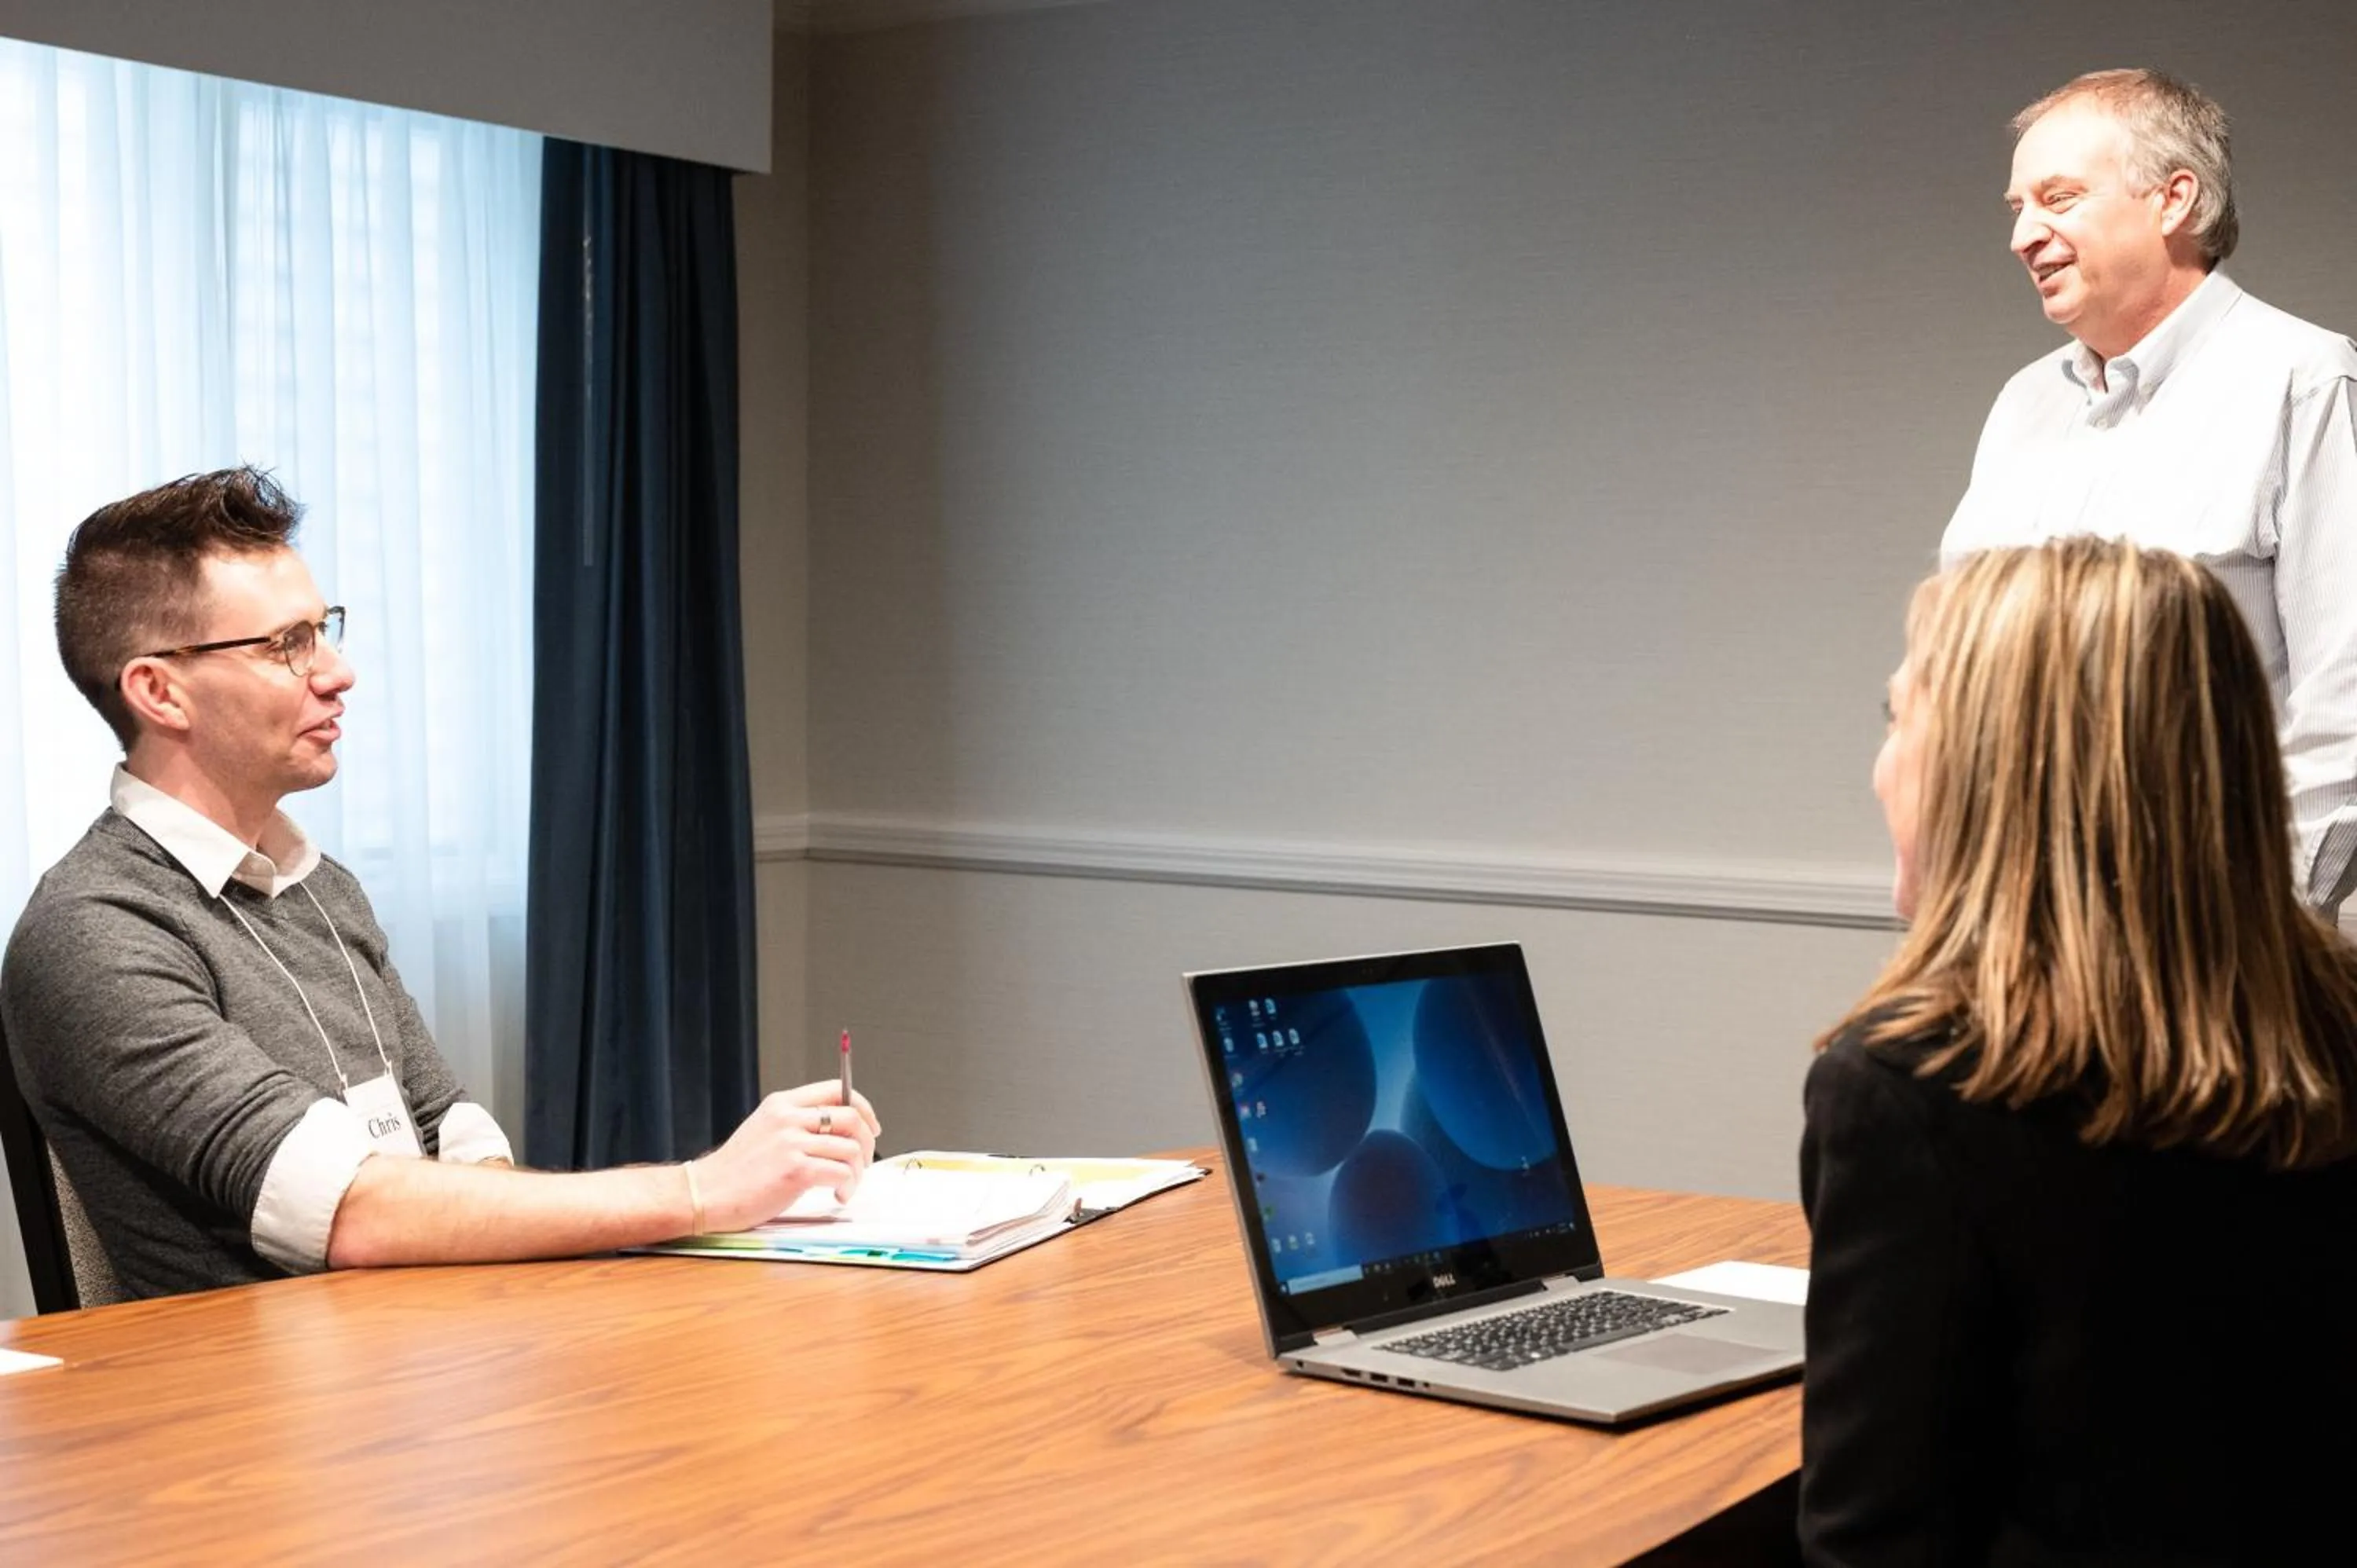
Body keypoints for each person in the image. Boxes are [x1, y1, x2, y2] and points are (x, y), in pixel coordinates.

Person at [0, 467, 878, 1300]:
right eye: (286, 646)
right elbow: (349, 1210)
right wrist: (701, 1191)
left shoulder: (319, 885)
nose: (335, 672)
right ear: (160, 691)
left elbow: (455, 1136)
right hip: (248, 1418)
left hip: (418, 1356)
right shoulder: (95, 929)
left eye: (322, 629)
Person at [1799, 537, 2357, 1563]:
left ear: (1991, 769)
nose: (1881, 769)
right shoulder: (2332, 1029)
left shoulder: (1908, 1091)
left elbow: (1875, 1542)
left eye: (1899, 720)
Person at [1945, 68, 2357, 915]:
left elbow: (2345, 707)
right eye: (2018, 208)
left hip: (2224, 943)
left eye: (2058, 198)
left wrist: (2260, 934)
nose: (2025, 234)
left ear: (2174, 200)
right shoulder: (2023, 405)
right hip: (2023, 929)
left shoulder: (2305, 382)